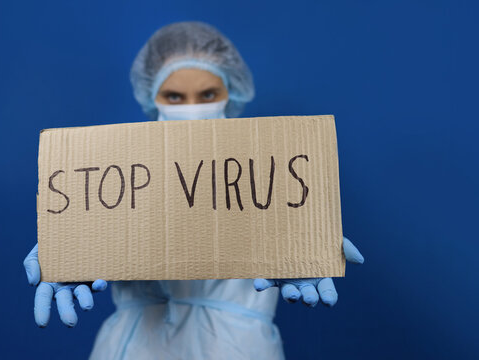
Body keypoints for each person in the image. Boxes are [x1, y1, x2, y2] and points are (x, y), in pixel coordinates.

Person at [23, 21, 364, 360]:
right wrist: (66, 250)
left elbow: (288, 219)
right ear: (151, 96)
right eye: (174, 96)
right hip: (135, 348)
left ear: (231, 93)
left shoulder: (260, 169)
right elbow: (88, 219)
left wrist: (307, 246)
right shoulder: (123, 171)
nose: (191, 107)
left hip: (238, 349)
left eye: (208, 94)